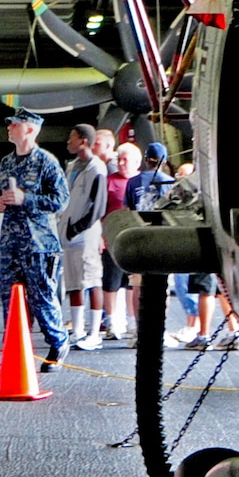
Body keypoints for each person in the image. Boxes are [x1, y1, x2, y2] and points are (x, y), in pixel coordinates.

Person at [0, 109, 69, 374]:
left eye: (15, 124)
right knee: (12, 304)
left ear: (30, 130)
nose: (9, 128)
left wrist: (27, 199)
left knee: (41, 298)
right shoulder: (7, 162)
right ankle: (14, 353)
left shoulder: (46, 162)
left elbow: (60, 200)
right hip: (10, 244)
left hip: (39, 245)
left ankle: (57, 344)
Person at [62, 124, 110, 351]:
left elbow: (98, 207)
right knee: (74, 283)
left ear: (82, 141)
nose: (68, 142)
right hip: (68, 234)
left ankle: (94, 333)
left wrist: (78, 227)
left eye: (71, 138)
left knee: (91, 281)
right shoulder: (72, 166)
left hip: (85, 235)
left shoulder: (96, 168)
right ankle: (78, 329)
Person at [101, 142, 140, 341]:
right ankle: (112, 322)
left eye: (126, 160)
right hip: (112, 239)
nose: (122, 163)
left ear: (137, 162)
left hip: (136, 240)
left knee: (133, 284)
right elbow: (100, 211)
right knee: (111, 282)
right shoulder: (108, 181)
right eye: (120, 159)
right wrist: (101, 236)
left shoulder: (141, 182)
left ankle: (133, 323)